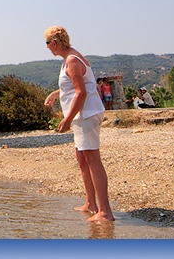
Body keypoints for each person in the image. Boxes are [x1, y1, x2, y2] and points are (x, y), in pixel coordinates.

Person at [43, 26, 114, 223]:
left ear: (55, 43)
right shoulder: (69, 59)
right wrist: (54, 94)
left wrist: (66, 119)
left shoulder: (73, 60)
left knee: (92, 160)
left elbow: (81, 93)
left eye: (47, 43)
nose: (47, 47)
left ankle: (105, 212)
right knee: (82, 159)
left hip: (86, 115)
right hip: (82, 116)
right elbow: (74, 87)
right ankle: (91, 203)